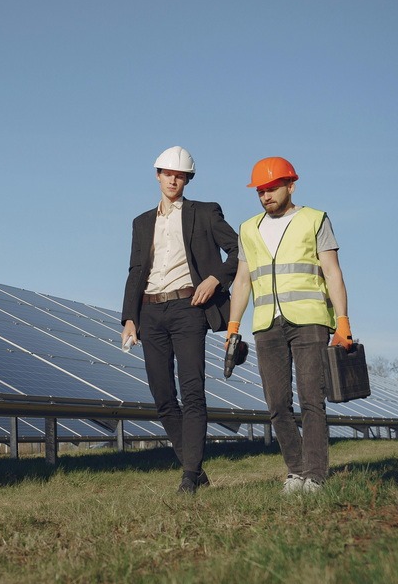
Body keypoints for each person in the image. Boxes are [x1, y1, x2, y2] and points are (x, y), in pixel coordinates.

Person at [228, 156, 352, 493]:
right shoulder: (248, 229)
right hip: (266, 324)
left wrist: (343, 321)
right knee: (277, 404)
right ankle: (296, 471)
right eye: (260, 191)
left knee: (312, 399)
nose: (265, 196)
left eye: (271, 188)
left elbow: (333, 272)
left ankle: (315, 475)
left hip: (310, 320)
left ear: (290, 186)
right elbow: (242, 281)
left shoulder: (314, 220)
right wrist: (233, 325)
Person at [121, 146, 238, 494]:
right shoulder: (141, 222)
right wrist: (129, 317)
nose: (173, 180)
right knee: (162, 395)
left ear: (187, 179)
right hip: (150, 312)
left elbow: (239, 249)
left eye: (180, 175)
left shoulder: (205, 213)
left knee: (192, 390)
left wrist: (215, 279)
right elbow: (134, 270)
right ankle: (194, 466)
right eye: (168, 174)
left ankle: (189, 474)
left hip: (190, 307)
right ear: (158, 176)